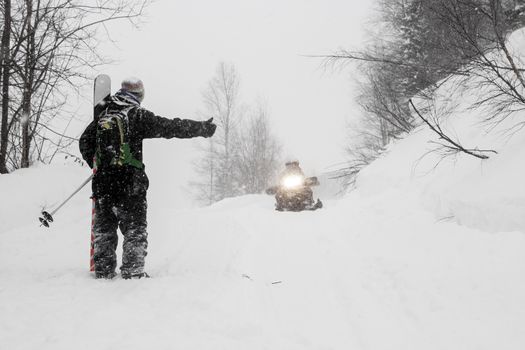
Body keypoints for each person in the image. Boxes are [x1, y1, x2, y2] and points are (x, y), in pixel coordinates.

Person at [79, 78, 216, 279]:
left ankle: (103, 271)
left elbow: (84, 142)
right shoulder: (138, 115)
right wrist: (201, 128)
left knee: (104, 230)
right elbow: (170, 127)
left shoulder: (104, 114)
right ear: (139, 95)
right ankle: (133, 272)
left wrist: (98, 165)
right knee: (134, 229)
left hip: (103, 184)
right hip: (130, 184)